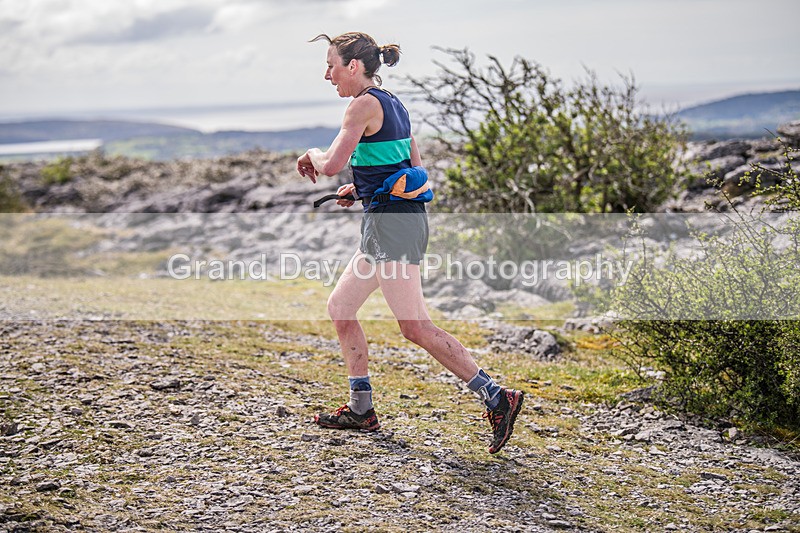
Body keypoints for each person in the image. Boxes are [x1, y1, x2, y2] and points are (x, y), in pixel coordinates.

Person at [296, 32, 523, 454]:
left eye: (331, 65)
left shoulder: (361, 104)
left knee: (415, 326)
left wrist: (311, 153)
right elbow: (412, 168)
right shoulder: (393, 103)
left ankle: (497, 397)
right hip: (390, 222)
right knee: (341, 308)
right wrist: (361, 190)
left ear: (353, 66)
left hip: (392, 227)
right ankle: (361, 409)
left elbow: (330, 164)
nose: (327, 75)